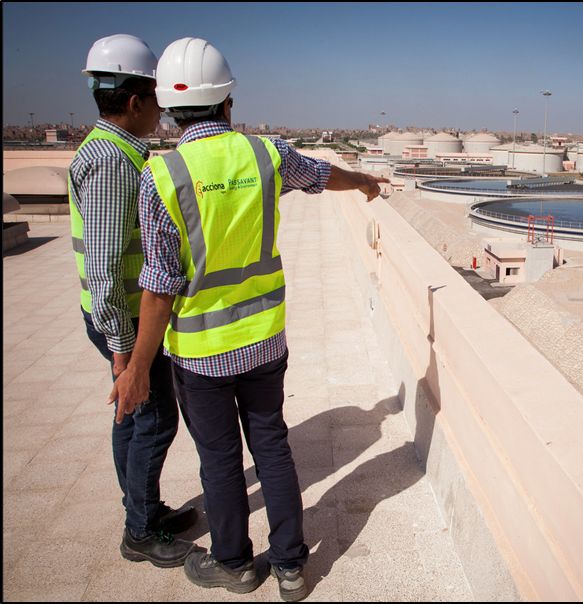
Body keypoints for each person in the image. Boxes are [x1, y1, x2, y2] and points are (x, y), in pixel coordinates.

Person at [108, 37, 387, 600]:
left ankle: (234, 563)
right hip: (263, 342)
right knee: (273, 446)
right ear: (228, 101)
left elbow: (158, 289)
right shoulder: (266, 154)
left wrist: (136, 366)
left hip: (201, 354)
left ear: (167, 107)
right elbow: (320, 175)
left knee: (220, 459)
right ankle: (289, 566)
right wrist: (362, 181)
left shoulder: (161, 177)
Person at [69, 33, 198, 568]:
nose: (161, 112)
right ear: (134, 101)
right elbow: (103, 266)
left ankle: (143, 509)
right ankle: (140, 530)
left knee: (133, 416)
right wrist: (127, 353)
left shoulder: (115, 151)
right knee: (152, 419)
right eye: (155, 99)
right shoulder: (112, 164)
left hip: (119, 316)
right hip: (121, 318)